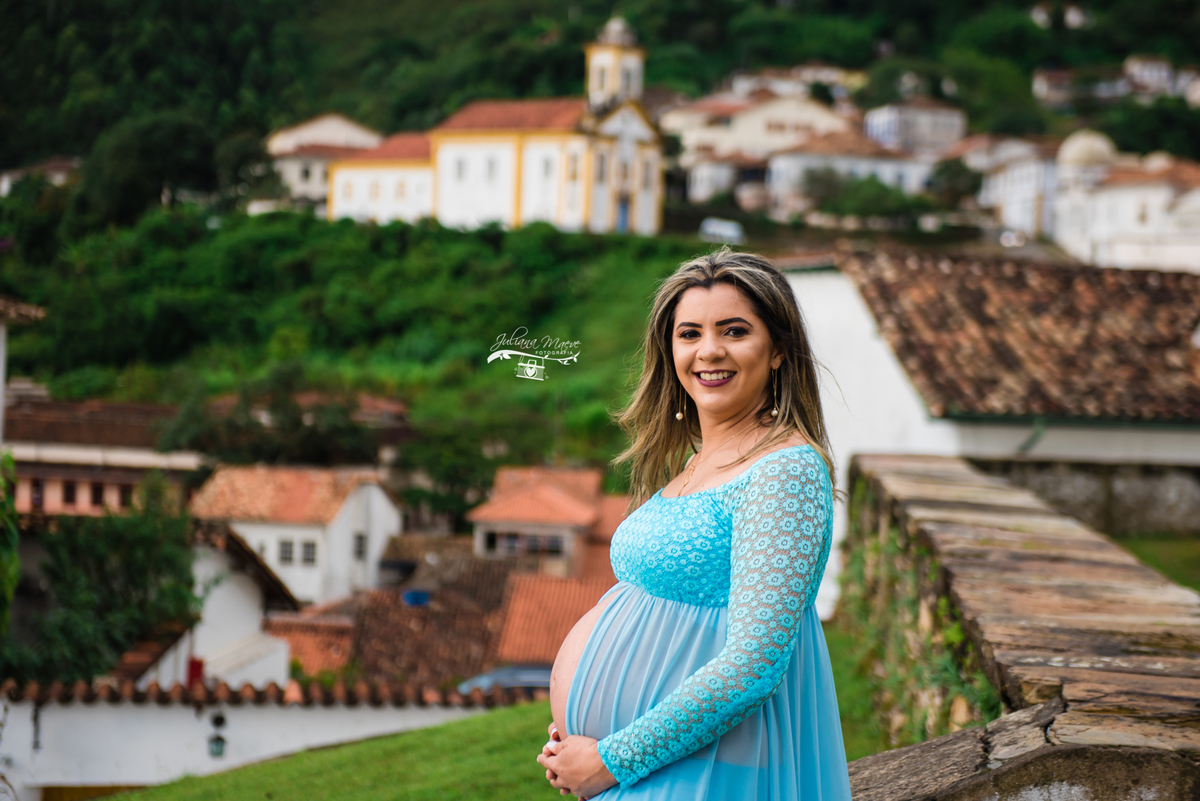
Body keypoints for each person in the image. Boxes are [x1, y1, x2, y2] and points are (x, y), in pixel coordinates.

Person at [536, 248, 852, 800]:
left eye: (734, 330)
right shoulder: (700, 460)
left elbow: (753, 664)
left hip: (708, 769)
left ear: (778, 349)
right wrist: (582, 734)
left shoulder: (785, 471)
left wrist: (610, 756)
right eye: (690, 333)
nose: (709, 351)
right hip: (656, 761)